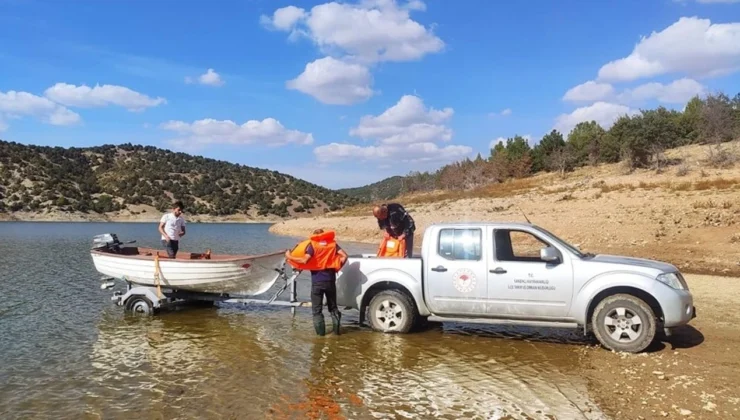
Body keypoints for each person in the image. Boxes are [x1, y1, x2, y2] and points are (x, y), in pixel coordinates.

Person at [285, 229, 348, 336]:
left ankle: (320, 337)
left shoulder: (313, 246)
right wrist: (337, 267)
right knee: (333, 308)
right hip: (330, 281)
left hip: (317, 282)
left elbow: (305, 260)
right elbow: (345, 256)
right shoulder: (332, 245)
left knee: (317, 311)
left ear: (315, 236)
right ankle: (337, 333)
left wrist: (289, 256)